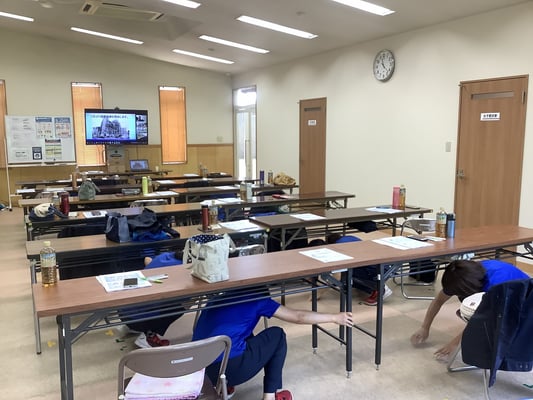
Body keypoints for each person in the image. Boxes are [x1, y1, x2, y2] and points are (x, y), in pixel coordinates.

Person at [192, 287, 353, 400]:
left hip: (200, 371)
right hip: (229, 367)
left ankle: (224, 385)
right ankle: (269, 397)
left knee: (243, 335)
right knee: (277, 335)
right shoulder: (258, 299)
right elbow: (298, 316)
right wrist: (334, 317)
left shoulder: (217, 298)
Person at [410, 259, 529, 361]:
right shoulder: (468, 272)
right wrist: (425, 327)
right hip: (511, 294)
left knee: (485, 320)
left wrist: (455, 343)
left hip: (525, 307)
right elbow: (439, 300)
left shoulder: (495, 286)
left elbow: (480, 320)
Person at [126, 250, 184, 348]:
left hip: (125, 312)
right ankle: (148, 336)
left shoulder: (165, 256)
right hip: (136, 318)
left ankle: (138, 327)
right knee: (180, 306)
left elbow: (148, 260)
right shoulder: (181, 268)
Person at [327, 233, 393, 306]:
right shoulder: (350, 237)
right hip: (384, 263)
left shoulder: (337, 247)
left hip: (376, 269)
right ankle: (374, 287)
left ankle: (380, 288)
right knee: (350, 273)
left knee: (346, 274)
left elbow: (338, 275)